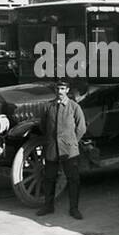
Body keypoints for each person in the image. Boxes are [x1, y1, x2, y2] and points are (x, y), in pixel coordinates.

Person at [36, 79, 87, 219]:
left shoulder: (74, 107)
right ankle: (48, 206)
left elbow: (81, 128)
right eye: (58, 89)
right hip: (53, 149)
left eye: (63, 89)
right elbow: (43, 126)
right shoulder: (48, 107)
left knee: (73, 179)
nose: (60, 92)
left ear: (67, 90)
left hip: (69, 150)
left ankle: (74, 209)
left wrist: (72, 142)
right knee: (49, 178)